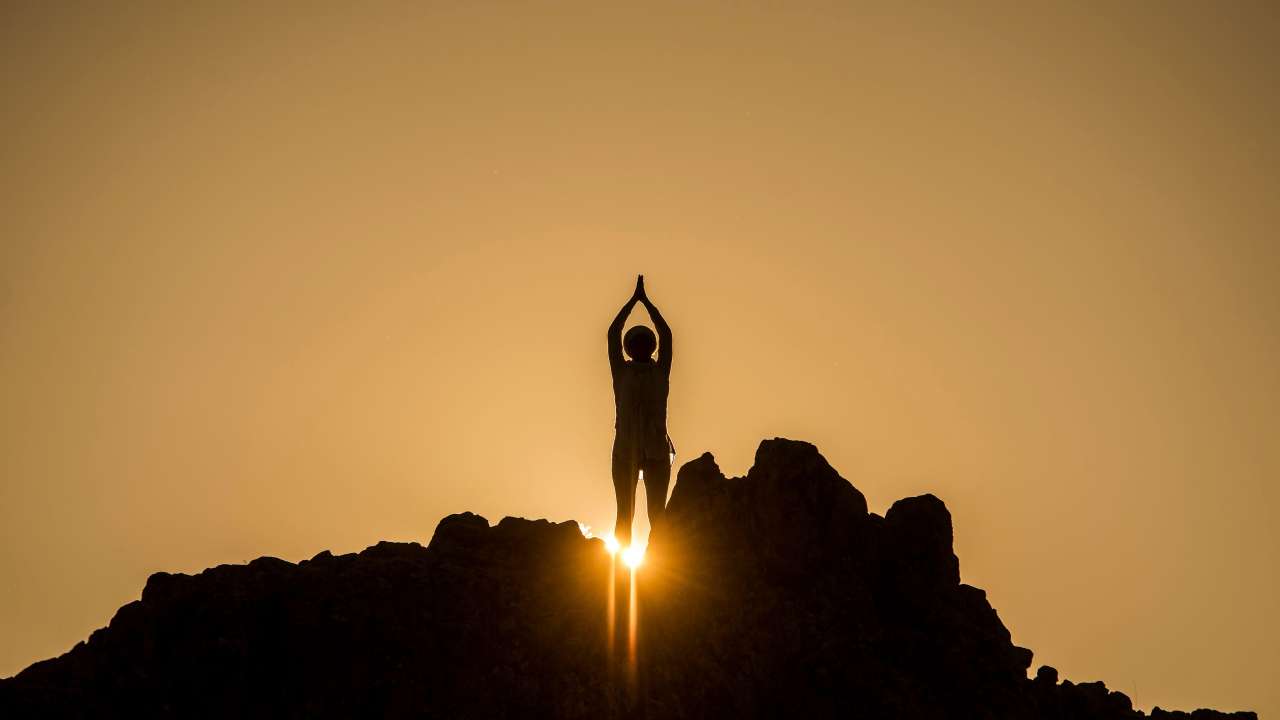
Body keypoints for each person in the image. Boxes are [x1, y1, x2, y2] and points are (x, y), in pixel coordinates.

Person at [608, 275, 674, 550]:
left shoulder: (660, 371)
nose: (640, 347)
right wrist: (633, 301)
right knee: (625, 514)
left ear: (651, 347)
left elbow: (666, 334)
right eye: (635, 344)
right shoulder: (621, 372)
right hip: (625, 451)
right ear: (629, 348)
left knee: (658, 516)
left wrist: (646, 303)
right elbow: (613, 333)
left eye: (645, 343)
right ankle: (621, 565)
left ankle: (659, 564)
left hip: (657, 451)